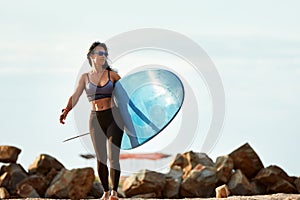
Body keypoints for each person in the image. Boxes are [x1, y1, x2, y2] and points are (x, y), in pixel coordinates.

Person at [59, 42, 123, 200]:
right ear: (91, 56)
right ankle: (106, 192)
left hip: (114, 118)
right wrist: (66, 111)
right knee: (101, 158)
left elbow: (127, 96)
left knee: (113, 156)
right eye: (100, 53)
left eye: (105, 54)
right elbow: (75, 96)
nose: (103, 56)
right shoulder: (85, 78)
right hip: (95, 119)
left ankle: (114, 193)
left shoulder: (113, 76)